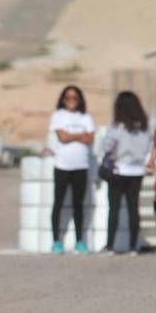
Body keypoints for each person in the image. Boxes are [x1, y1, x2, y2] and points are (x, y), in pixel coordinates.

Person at [46, 85, 95, 254]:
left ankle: (80, 240)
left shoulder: (86, 117)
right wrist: (79, 136)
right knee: (58, 202)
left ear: (80, 99)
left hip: (81, 165)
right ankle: (55, 241)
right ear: (63, 99)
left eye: (75, 98)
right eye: (68, 98)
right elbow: (62, 137)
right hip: (63, 165)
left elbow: (90, 139)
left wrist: (73, 136)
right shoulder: (58, 115)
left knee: (78, 204)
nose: (72, 101)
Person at [101, 91, 152, 255]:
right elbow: (146, 148)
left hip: (119, 170)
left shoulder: (118, 126)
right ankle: (133, 246)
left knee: (114, 209)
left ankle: (110, 246)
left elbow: (107, 146)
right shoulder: (144, 126)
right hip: (137, 171)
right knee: (133, 209)